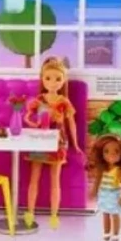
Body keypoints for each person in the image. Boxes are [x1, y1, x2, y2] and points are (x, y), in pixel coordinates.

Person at [23, 56, 82, 229]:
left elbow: (71, 123)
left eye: (58, 79)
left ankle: (54, 215)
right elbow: (27, 117)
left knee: (55, 180)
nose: (53, 83)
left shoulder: (64, 102)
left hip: (58, 142)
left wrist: (75, 144)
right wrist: (32, 122)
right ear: (42, 79)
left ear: (63, 81)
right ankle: (30, 212)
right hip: (40, 141)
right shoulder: (39, 100)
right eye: (48, 78)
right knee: (34, 178)